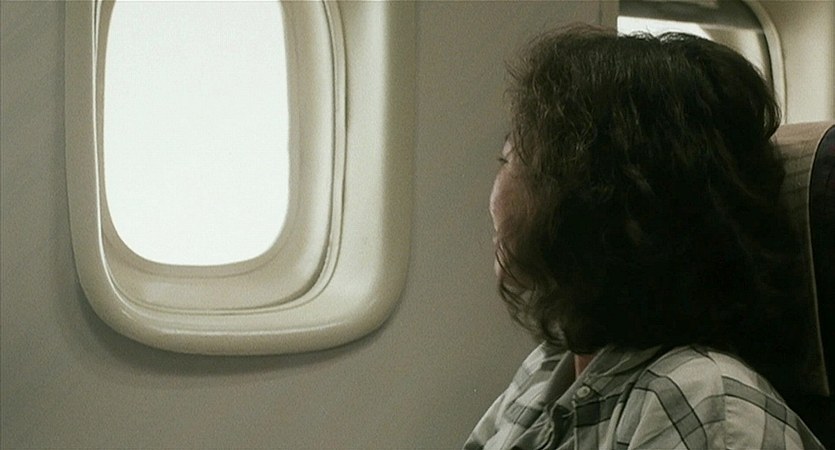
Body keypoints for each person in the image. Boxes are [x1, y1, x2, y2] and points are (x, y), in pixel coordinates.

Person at [465, 26, 824, 449]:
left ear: (598, 202)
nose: (495, 196)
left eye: (510, 159)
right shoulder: (548, 369)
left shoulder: (700, 402)